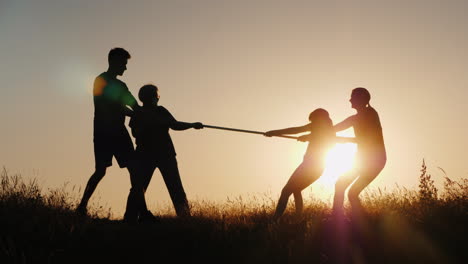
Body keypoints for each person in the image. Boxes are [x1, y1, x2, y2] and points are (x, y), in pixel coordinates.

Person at [76, 48, 143, 219]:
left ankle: (140, 212)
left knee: (134, 170)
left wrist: (144, 113)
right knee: (101, 171)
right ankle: (82, 206)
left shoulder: (121, 85)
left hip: (118, 132)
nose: (125, 68)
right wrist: (134, 113)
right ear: (114, 61)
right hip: (104, 132)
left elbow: (134, 105)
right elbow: (109, 105)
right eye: (124, 64)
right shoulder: (101, 81)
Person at [129, 84, 203, 218]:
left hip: (154, 154)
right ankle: (131, 217)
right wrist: (191, 125)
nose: (158, 99)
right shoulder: (147, 112)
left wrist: (192, 125)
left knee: (141, 187)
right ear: (153, 98)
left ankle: (130, 217)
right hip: (159, 154)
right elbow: (173, 125)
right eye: (157, 96)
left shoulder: (151, 112)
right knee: (169, 187)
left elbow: (174, 125)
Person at [265, 108, 335, 220]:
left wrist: (309, 137)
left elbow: (326, 140)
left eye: (314, 120)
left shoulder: (328, 131)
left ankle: (275, 219)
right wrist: (274, 133)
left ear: (319, 119)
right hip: (312, 166)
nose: (312, 123)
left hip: (312, 166)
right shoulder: (317, 127)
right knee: (295, 189)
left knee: (286, 191)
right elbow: (295, 130)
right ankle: (298, 218)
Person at [332, 87, 386, 215]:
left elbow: (367, 139)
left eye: (353, 96)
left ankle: (339, 218)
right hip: (363, 159)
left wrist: (342, 139)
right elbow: (332, 130)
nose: (350, 99)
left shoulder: (370, 114)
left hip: (374, 160)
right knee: (345, 188)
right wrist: (312, 136)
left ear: (361, 99)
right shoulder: (356, 118)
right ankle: (342, 218)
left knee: (350, 191)